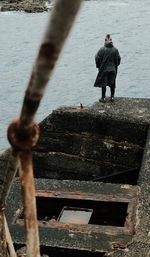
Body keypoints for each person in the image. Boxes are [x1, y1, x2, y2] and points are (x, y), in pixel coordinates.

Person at [94, 34, 121, 102]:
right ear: (111, 41)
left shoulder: (102, 49)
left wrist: (98, 66)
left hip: (104, 69)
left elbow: (97, 58)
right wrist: (116, 65)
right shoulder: (115, 49)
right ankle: (112, 97)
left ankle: (103, 98)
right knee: (112, 83)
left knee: (104, 83)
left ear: (105, 41)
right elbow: (119, 59)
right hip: (113, 69)